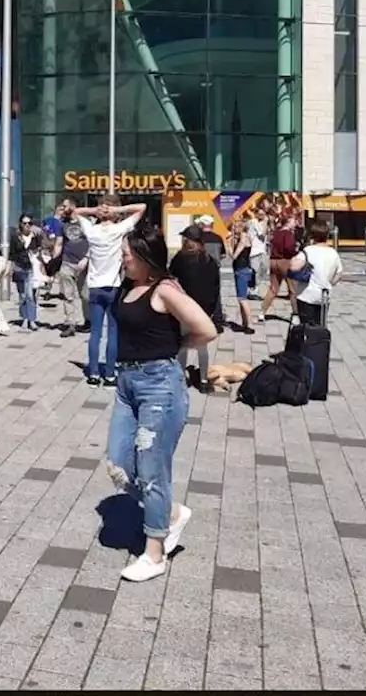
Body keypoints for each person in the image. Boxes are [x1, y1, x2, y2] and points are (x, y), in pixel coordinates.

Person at [108, 222, 217, 584]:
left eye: (126, 254)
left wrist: (177, 347)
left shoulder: (165, 289)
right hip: (127, 384)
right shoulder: (128, 285)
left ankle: (154, 553)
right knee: (120, 463)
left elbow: (207, 329)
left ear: (144, 255)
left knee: (152, 470)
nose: (122, 259)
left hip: (159, 385)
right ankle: (170, 513)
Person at [70, 196, 147, 387]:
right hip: (113, 286)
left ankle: (94, 373)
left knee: (95, 333)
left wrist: (96, 210)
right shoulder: (119, 229)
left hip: (95, 287)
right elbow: (141, 207)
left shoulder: (92, 230)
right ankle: (110, 373)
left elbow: (76, 211)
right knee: (113, 331)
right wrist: (117, 211)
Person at [169, 226, 221, 391]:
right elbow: (215, 288)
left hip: (184, 308)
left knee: (183, 345)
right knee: (201, 347)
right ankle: (204, 381)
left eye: (186, 238)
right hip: (202, 310)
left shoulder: (180, 258)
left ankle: (181, 378)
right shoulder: (209, 261)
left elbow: (171, 279)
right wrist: (211, 310)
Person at [52, 202, 89, 338]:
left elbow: (93, 241)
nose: (62, 208)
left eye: (65, 206)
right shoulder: (62, 224)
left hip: (84, 264)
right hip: (67, 263)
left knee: (85, 295)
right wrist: (53, 261)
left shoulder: (85, 222)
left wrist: (86, 258)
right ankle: (70, 324)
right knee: (68, 296)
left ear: (73, 207)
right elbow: (59, 243)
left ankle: (88, 321)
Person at [295, 221, 342, 326]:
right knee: (320, 324)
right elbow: (338, 274)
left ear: (312, 236)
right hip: (324, 295)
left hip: (306, 294)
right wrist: (329, 283)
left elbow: (294, 267)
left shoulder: (307, 251)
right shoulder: (333, 253)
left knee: (306, 326)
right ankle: (319, 341)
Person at [259, 215, 300, 323]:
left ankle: (262, 312)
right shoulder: (288, 234)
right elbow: (288, 248)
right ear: (288, 222)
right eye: (293, 221)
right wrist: (296, 252)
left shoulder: (276, 233)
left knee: (273, 288)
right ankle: (295, 315)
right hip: (285, 261)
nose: (295, 223)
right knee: (293, 290)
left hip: (273, 261)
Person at [8, 214, 40, 331]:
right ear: (20, 224)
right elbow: (11, 254)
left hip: (31, 268)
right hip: (19, 267)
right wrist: (10, 268)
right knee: (22, 296)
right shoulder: (15, 237)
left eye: (29, 223)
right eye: (25, 223)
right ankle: (24, 318)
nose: (27, 226)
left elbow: (41, 250)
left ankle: (32, 320)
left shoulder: (35, 237)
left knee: (30, 295)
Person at [194, 215, 226, 330]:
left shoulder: (197, 239)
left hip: (200, 269)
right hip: (214, 270)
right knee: (216, 295)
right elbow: (223, 255)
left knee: (198, 294)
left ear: (201, 225)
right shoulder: (218, 238)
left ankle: (200, 321)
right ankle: (217, 322)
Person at [226, 220, 256, 333]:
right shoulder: (241, 238)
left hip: (242, 270)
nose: (233, 229)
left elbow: (234, 256)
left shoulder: (243, 239)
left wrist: (228, 244)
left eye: (235, 227)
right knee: (240, 298)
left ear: (240, 228)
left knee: (242, 298)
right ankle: (244, 323)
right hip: (241, 269)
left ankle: (250, 325)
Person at [246, 209, 268, 300]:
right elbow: (262, 235)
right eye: (260, 214)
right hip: (254, 251)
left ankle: (255, 289)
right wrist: (266, 223)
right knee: (255, 271)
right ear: (256, 214)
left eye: (263, 214)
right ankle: (252, 291)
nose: (262, 216)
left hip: (261, 250)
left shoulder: (260, 223)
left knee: (264, 269)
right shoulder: (255, 222)